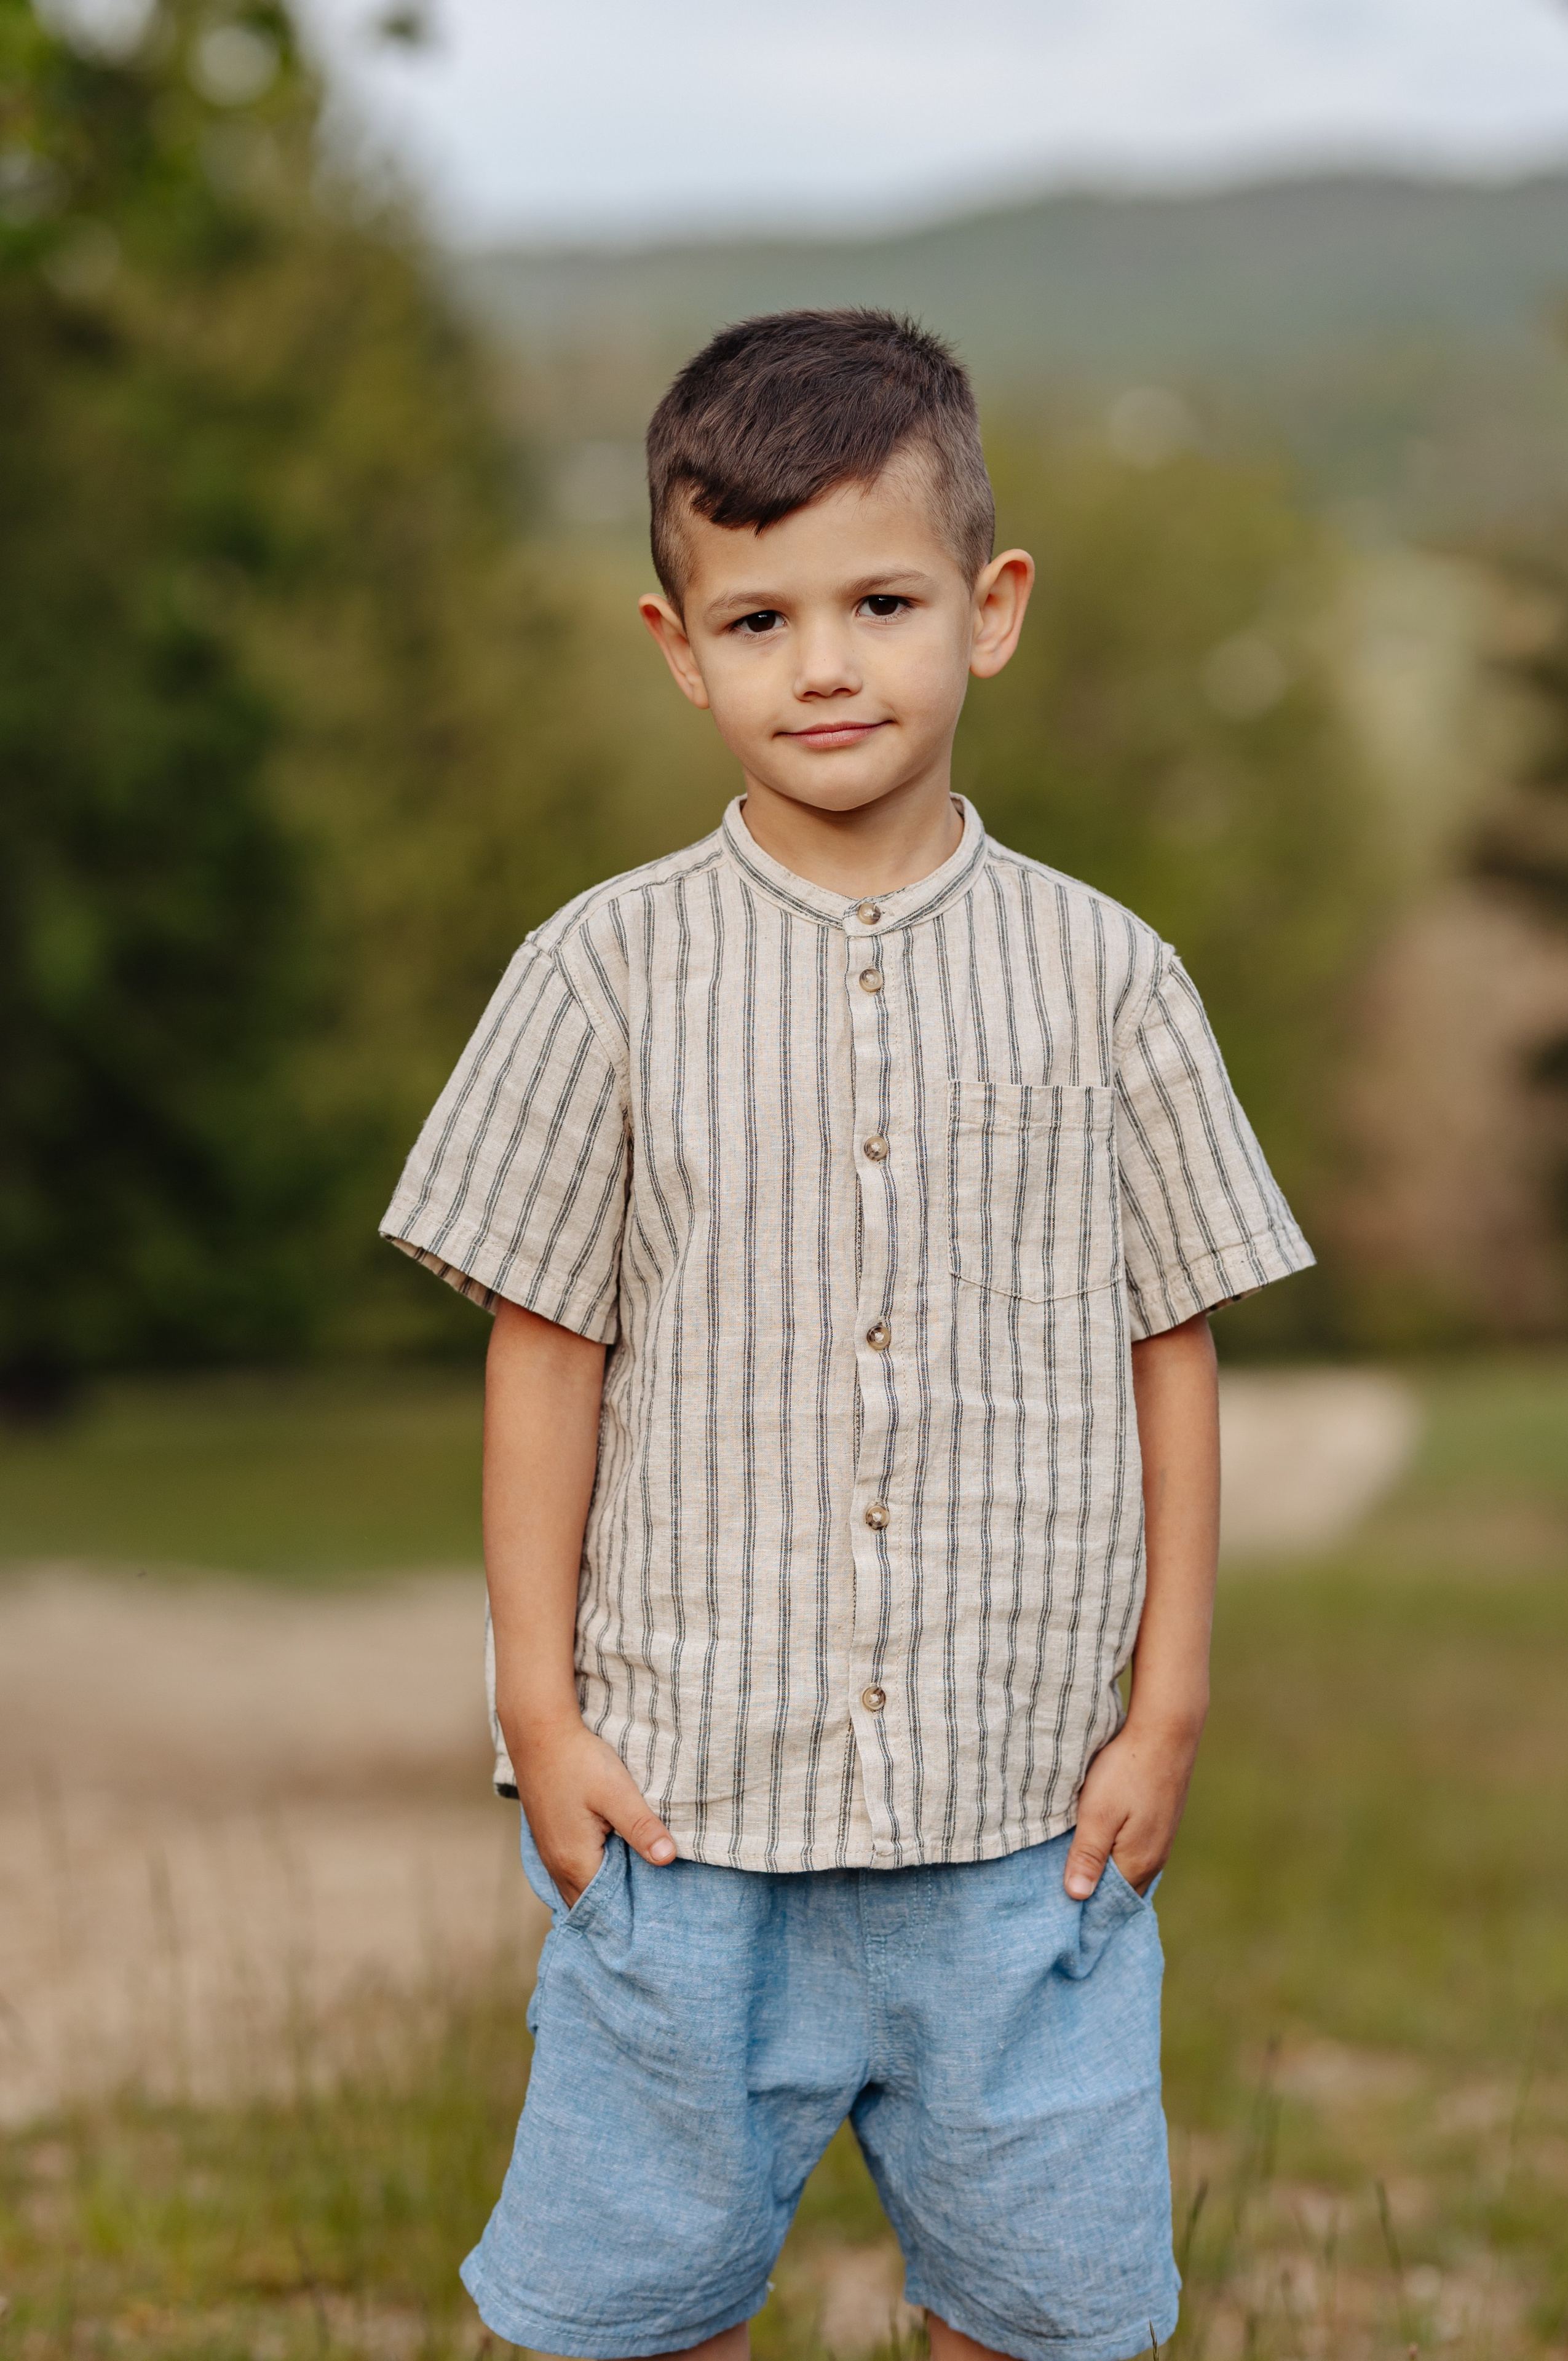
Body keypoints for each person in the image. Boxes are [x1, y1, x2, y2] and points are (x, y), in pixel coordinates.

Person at [381, 307, 1313, 2361]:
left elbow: (1176, 1342)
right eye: (760, 617)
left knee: (1051, 2313)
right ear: (673, 643)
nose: (825, 665)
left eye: (881, 602)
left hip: (1023, 1833)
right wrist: (537, 1710)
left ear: (989, 611)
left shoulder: (1111, 979)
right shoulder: (600, 976)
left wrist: (1166, 1709)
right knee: (628, 2312)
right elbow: (545, 1348)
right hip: (683, 1816)